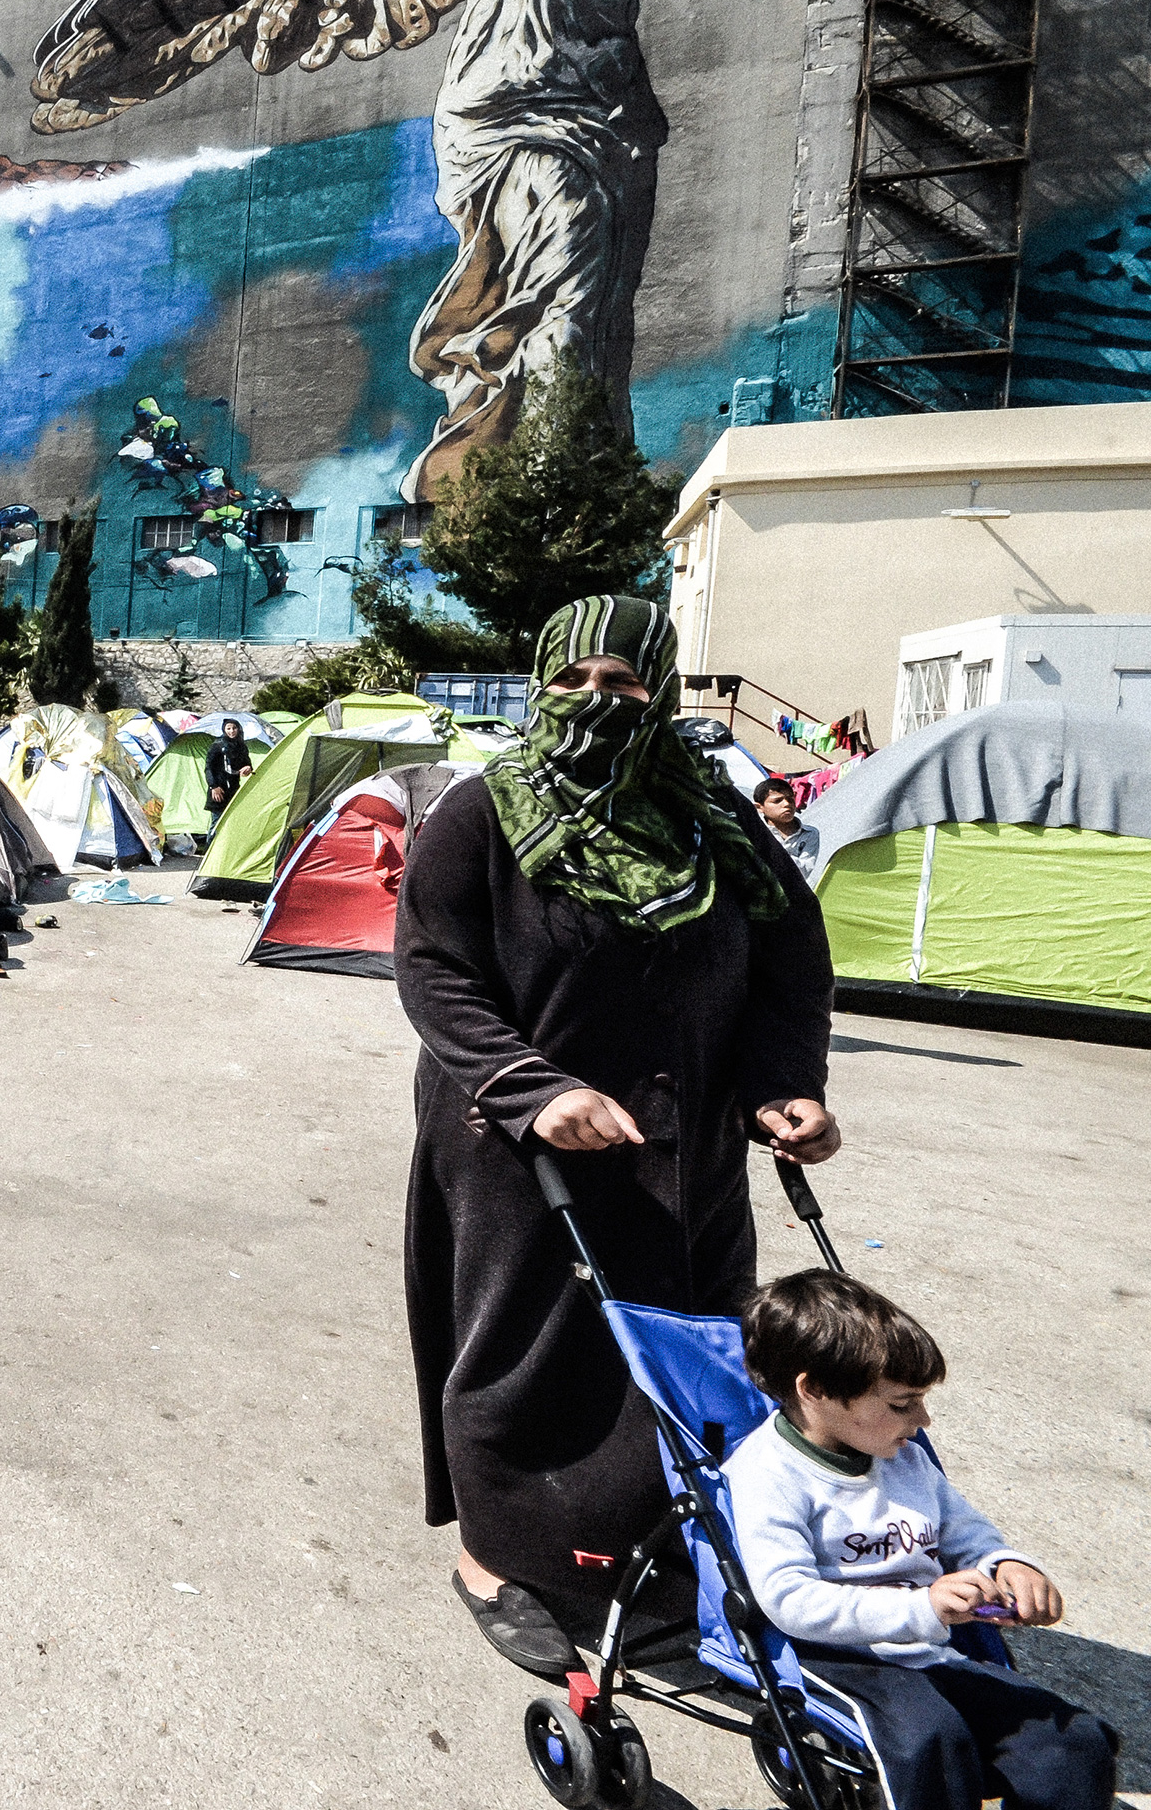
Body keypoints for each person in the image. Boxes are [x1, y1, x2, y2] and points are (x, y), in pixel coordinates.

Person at [395, 594, 839, 1678]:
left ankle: (651, 1543)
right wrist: (531, 1087)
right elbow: (434, 967)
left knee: (688, 1345)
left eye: (625, 682)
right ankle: (497, 1558)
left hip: (691, 1141)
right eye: (572, 680)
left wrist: (784, 1088)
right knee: (528, 1351)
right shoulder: (483, 811)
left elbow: (791, 961)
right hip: (521, 1144)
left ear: (663, 693)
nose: (597, 700)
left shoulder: (713, 819)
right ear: (539, 686)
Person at [727, 1271, 1114, 1810]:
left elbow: (965, 1532)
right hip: (836, 1657)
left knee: (1072, 1741)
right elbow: (789, 1599)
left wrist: (1005, 1565)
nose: (923, 1420)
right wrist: (922, 1606)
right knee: (934, 1741)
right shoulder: (768, 1475)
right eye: (902, 1404)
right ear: (813, 1391)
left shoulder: (903, 1459)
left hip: (926, 1650)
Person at [755, 774, 820, 881]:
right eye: (777, 801)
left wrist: (775, 853)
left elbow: (803, 872)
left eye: (790, 799)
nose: (786, 804)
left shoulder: (809, 833)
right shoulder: (754, 832)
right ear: (759, 807)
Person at [202, 720, 253, 817]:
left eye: (234, 728)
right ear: (224, 730)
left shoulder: (241, 746)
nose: (232, 731)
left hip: (233, 788)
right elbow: (209, 767)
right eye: (228, 728)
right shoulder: (217, 746)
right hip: (219, 788)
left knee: (234, 817)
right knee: (218, 819)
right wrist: (213, 786)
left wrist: (248, 768)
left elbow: (246, 763)